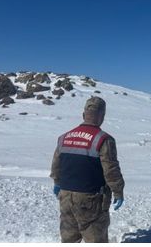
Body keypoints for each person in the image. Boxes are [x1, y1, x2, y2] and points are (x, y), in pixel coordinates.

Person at [50, 97, 125, 243]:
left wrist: (57, 182)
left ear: (84, 114)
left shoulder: (64, 137)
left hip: (65, 196)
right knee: (95, 238)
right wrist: (118, 191)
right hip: (90, 199)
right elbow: (111, 170)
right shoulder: (103, 139)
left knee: (69, 239)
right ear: (102, 116)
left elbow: (56, 165)